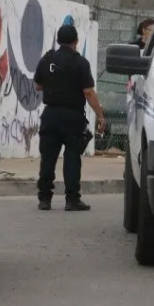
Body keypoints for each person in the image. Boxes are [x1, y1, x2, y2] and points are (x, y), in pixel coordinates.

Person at [33, 24, 107, 212]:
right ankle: (72, 200)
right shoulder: (80, 63)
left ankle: (44, 199)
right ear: (75, 42)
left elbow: (37, 86)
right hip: (72, 116)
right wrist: (100, 115)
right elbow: (89, 92)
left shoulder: (48, 59)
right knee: (72, 157)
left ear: (58, 40)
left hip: (50, 114)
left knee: (48, 157)